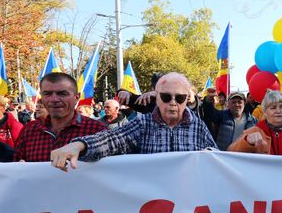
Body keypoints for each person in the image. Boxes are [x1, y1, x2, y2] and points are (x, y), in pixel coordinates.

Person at [50, 72, 217, 171]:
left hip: (188, 205)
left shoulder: (198, 126)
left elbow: (217, 161)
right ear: (156, 97)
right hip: (153, 206)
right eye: (166, 97)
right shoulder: (143, 124)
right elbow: (112, 139)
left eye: (179, 98)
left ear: (186, 99)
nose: (173, 102)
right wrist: (79, 145)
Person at [13, 72, 107, 162]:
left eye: (62, 94)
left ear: (77, 97)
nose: (54, 99)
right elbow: (16, 164)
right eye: (47, 94)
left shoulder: (96, 130)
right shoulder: (29, 130)